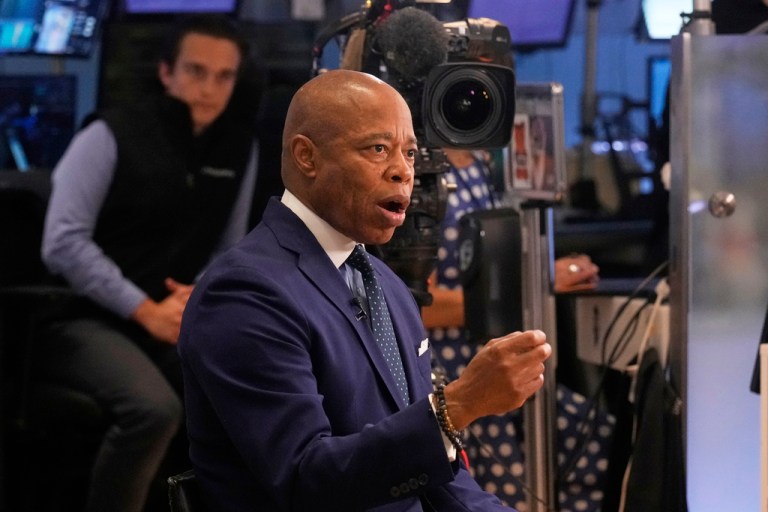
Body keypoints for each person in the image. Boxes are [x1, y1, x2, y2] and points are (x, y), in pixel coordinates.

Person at [177, 69, 552, 511]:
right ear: (306, 157)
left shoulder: (387, 285)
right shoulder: (245, 293)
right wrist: (459, 405)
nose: (402, 172)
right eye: (378, 149)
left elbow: (438, 481)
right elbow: (305, 479)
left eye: (410, 154)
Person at [39, 14, 281, 512]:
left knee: (247, 394)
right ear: (167, 72)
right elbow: (62, 242)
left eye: (223, 76)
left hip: (174, 320)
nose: (209, 87)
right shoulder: (110, 132)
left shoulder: (241, 147)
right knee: (153, 409)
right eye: (195, 71)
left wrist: (190, 305)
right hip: (80, 317)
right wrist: (146, 309)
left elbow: (227, 252)